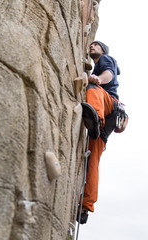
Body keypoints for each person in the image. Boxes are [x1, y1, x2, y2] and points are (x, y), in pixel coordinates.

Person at [77, 41, 128, 224]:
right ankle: (86, 206)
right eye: (90, 45)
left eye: (96, 45)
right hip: (110, 116)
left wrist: (98, 79)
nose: (92, 46)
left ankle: (95, 119)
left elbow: (109, 74)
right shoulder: (98, 64)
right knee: (93, 159)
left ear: (103, 50)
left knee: (93, 89)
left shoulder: (106, 59)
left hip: (108, 106)